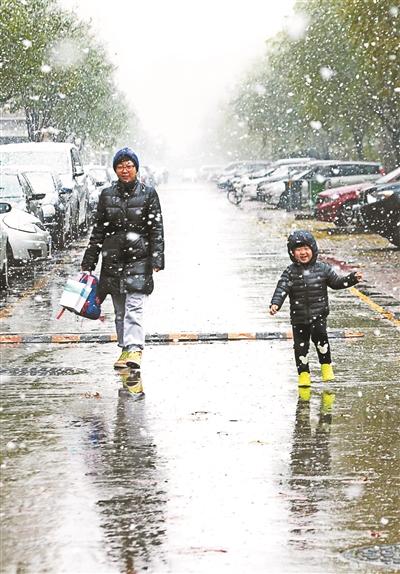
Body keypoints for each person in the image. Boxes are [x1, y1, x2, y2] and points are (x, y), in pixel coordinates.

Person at [81, 147, 164, 369]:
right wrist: (89, 261)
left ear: (136, 168)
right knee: (119, 311)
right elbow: (98, 230)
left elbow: (156, 228)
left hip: (139, 259)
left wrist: (157, 258)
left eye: (129, 166)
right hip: (113, 260)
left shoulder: (148, 193)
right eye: (120, 166)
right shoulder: (106, 195)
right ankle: (124, 349)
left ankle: (135, 349)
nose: (125, 170)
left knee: (134, 307)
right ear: (115, 169)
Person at [269, 230, 362, 387]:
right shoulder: (290, 272)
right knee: (300, 347)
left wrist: (351, 279)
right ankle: (303, 374)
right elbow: (282, 288)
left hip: (318, 315)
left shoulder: (323, 269)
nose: (303, 253)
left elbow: (336, 283)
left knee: (321, 342)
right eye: (298, 249)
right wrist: (276, 303)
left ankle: (326, 367)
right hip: (298, 318)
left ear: (313, 249)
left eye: (306, 248)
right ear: (292, 253)